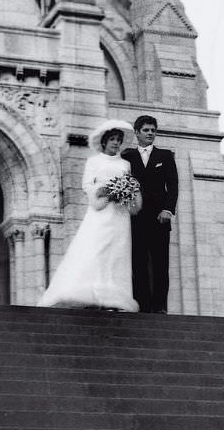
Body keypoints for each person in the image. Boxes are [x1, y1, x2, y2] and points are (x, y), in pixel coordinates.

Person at [37, 119, 140, 312]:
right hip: (100, 211)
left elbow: (130, 184)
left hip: (119, 213)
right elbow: (87, 185)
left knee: (117, 252)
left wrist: (125, 192)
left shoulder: (125, 164)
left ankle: (114, 298)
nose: (116, 143)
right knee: (96, 248)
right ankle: (92, 294)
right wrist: (103, 192)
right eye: (112, 140)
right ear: (104, 141)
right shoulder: (94, 161)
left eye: (118, 140)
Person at [121, 115, 178, 314]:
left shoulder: (165, 156)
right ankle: (142, 306)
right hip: (136, 218)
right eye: (146, 130)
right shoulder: (127, 157)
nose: (150, 133)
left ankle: (159, 306)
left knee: (161, 263)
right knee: (139, 263)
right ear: (137, 132)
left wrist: (168, 210)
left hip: (159, 218)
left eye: (153, 130)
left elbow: (173, 186)